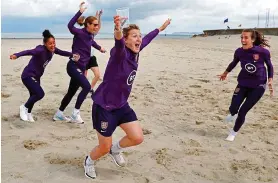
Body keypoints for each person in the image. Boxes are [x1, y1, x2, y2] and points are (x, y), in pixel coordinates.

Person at [83, 15, 171, 179]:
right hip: (104, 107)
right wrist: (117, 29)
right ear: (126, 40)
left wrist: (161, 28)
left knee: (137, 137)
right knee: (103, 147)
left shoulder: (136, 49)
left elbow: (148, 39)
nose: (139, 39)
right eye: (134, 36)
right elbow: (117, 40)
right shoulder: (119, 53)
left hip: (121, 105)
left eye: (139, 36)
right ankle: (89, 161)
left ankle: (115, 150)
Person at [53, 2, 106, 123]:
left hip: (81, 67)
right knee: (87, 87)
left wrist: (100, 48)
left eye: (97, 25)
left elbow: (92, 43)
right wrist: (80, 12)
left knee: (71, 92)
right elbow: (70, 25)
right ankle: (75, 113)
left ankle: (59, 113)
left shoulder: (90, 36)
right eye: (94, 25)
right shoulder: (79, 32)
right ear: (87, 24)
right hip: (73, 66)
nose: (97, 27)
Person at [10, 30, 79, 122]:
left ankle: (29, 113)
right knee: (40, 94)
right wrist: (16, 55)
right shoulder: (40, 50)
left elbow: (62, 52)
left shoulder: (53, 50)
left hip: (37, 76)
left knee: (33, 95)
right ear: (45, 44)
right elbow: (29, 51)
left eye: (54, 43)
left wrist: (72, 55)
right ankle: (24, 107)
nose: (53, 45)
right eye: (50, 43)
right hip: (28, 75)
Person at [218, 29, 274, 142]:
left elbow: (269, 66)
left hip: (258, 86)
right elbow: (234, 62)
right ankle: (233, 113)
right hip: (243, 83)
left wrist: (270, 79)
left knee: (243, 111)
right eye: (241, 37)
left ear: (252, 39)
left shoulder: (263, 52)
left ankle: (233, 133)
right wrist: (225, 73)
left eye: (246, 37)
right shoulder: (239, 51)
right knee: (233, 107)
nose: (243, 40)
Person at [78, 9, 104, 93]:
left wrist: (99, 16)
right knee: (83, 76)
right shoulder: (82, 33)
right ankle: (84, 88)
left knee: (97, 75)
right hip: (84, 57)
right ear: (87, 25)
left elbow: (98, 26)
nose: (96, 27)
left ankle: (90, 88)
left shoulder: (92, 33)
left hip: (91, 57)